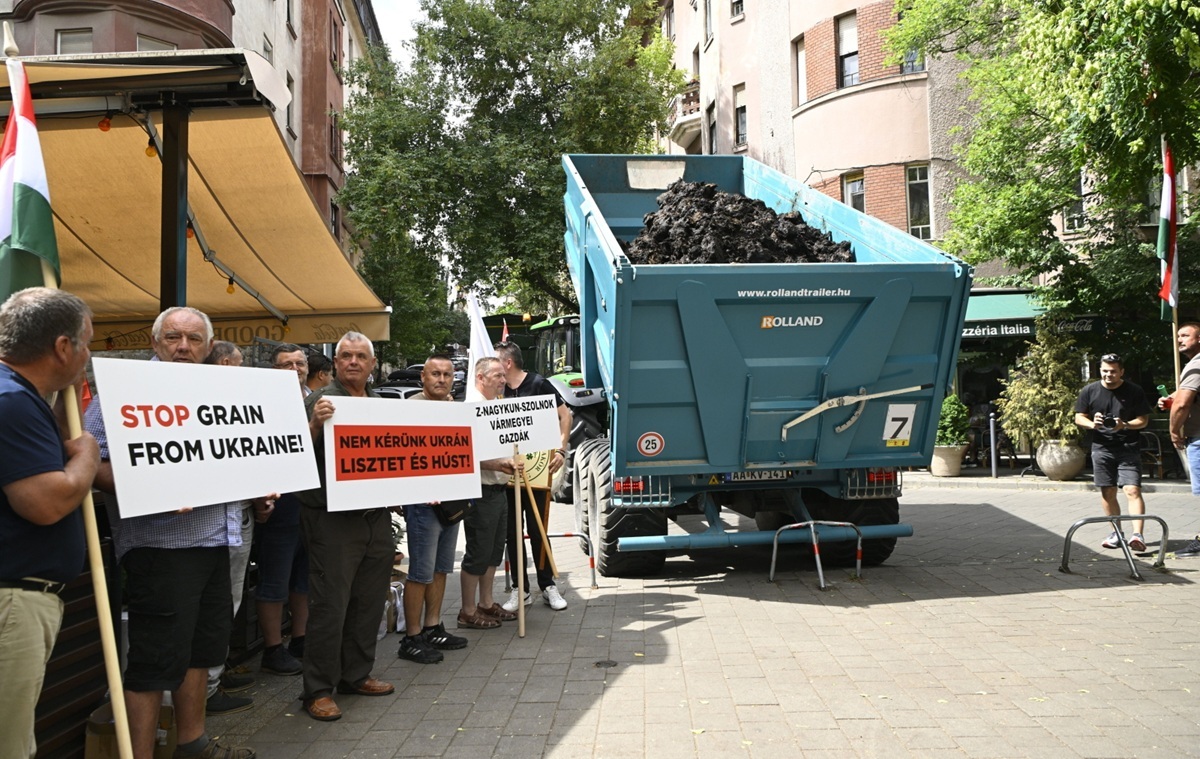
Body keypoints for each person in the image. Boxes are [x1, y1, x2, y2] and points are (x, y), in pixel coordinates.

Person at [84, 306, 256, 759]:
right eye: (174, 337)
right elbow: (91, 463)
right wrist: (151, 483)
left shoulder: (225, 391)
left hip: (216, 540)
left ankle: (191, 744)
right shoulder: (125, 390)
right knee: (155, 661)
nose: (184, 347)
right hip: (161, 547)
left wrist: (260, 484)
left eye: (194, 339)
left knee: (202, 652)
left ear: (207, 345)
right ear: (156, 342)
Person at [0, 288, 99, 759]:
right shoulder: (11, 403)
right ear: (63, 347)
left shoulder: (21, 398)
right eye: (87, 342)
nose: (89, 354)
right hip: (12, 605)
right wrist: (87, 456)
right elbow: (47, 502)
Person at [297, 332, 395, 722]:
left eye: (361, 356)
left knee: (369, 601)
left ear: (372, 365)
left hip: (375, 517)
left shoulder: (380, 404)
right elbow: (291, 451)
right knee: (331, 606)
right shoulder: (318, 401)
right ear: (335, 363)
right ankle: (317, 690)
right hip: (331, 520)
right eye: (345, 356)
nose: (353, 362)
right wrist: (316, 425)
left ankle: (356, 674)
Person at [398, 355, 470, 662]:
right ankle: (411, 637)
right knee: (420, 573)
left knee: (442, 569)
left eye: (447, 374)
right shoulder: (411, 410)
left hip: (450, 503)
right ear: (423, 378)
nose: (441, 379)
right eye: (435, 374)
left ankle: (432, 626)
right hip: (422, 504)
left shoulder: (455, 411)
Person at [200, 341, 257, 712]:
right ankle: (205, 686)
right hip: (202, 527)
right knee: (212, 607)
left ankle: (214, 675)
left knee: (229, 601)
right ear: (224, 363)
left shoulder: (238, 399)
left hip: (239, 517)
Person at [494, 341, 571, 612]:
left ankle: (547, 585)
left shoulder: (539, 384)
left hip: (538, 474)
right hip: (508, 475)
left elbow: (565, 415)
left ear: (507, 362)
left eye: (496, 361)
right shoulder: (497, 390)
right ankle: (520, 589)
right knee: (512, 534)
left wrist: (561, 450)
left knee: (538, 530)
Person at [254, 343, 311, 676]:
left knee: (303, 576)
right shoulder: (261, 402)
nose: (294, 369)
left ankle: (300, 639)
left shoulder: (318, 401)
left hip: (310, 502)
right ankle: (272, 648)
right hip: (278, 503)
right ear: (274, 370)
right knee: (274, 578)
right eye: (285, 364)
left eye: (299, 363)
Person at [457, 357, 520, 629]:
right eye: (497, 376)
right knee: (478, 552)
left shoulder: (497, 407)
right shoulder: (470, 410)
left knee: (494, 551)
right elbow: (462, 454)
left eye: (503, 376)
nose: (503, 380)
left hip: (500, 489)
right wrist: (498, 464)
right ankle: (467, 611)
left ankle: (485, 602)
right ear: (480, 378)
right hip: (481, 492)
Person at [1074, 353, 1152, 552]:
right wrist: (1093, 424)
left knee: (1132, 489)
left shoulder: (1134, 391)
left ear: (1122, 372)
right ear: (1100, 371)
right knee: (1107, 491)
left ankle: (1138, 535)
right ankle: (1116, 533)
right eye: (1105, 371)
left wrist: (1124, 424)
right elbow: (1078, 417)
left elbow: (1143, 420)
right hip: (1101, 447)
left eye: (1113, 371)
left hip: (1128, 446)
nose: (1109, 375)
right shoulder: (1089, 390)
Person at [1167, 322, 1200, 557]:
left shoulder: (1196, 365)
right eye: (1178, 335)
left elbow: (1183, 403)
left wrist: (1174, 430)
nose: (1179, 339)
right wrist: (1172, 396)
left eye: (1185, 335)